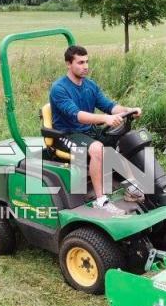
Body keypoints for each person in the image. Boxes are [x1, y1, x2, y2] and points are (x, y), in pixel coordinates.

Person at [50, 45, 142, 215]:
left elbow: (109, 106)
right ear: (68, 64)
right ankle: (101, 200)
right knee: (97, 148)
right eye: (80, 62)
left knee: (124, 138)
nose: (85, 66)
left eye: (87, 61)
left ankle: (131, 186)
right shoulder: (59, 89)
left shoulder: (90, 85)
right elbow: (77, 115)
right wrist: (105, 118)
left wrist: (128, 110)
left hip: (88, 132)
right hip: (65, 135)